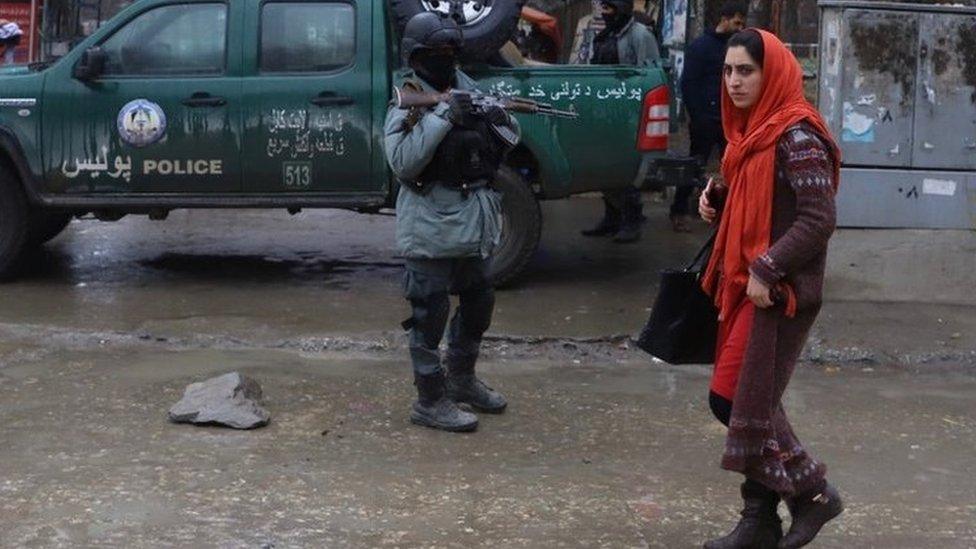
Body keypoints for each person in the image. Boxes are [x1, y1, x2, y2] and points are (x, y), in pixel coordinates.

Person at [697, 29, 844, 549]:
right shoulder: (753, 132)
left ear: (772, 73)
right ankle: (760, 520)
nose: (735, 81)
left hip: (777, 292)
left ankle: (811, 493)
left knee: (734, 400)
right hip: (745, 287)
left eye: (747, 71)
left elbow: (818, 216)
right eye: (729, 71)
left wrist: (768, 266)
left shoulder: (798, 135)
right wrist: (718, 195)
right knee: (750, 402)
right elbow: (752, 189)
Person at [384, 13, 521, 433]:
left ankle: (461, 379)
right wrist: (443, 117)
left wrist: (497, 118)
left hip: (471, 225)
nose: (446, 59)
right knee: (429, 314)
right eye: (437, 53)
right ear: (417, 56)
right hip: (429, 229)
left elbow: (510, 138)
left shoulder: (467, 88)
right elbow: (403, 163)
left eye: (451, 52)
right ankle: (430, 399)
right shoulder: (407, 99)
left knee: (479, 302)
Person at [581, 0, 661, 243]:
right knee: (605, 165)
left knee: (625, 167)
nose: (604, 14)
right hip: (604, 112)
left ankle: (632, 220)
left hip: (628, 114)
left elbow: (649, 75)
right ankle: (611, 218)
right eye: (602, 9)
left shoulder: (641, 36)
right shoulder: (606, 34)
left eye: (609, 9)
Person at [670, 1, 746, 233]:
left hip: (729, 119)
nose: (740, 27)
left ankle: (733, 213)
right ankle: (678, 211)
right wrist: (699, 115)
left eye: (742, 23)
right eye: (736, 22)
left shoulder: (737, 48)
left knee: (734, 167)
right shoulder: (701, 47)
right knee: (695, 165)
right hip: (706, 119)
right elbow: (689, 84)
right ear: (724, 19)